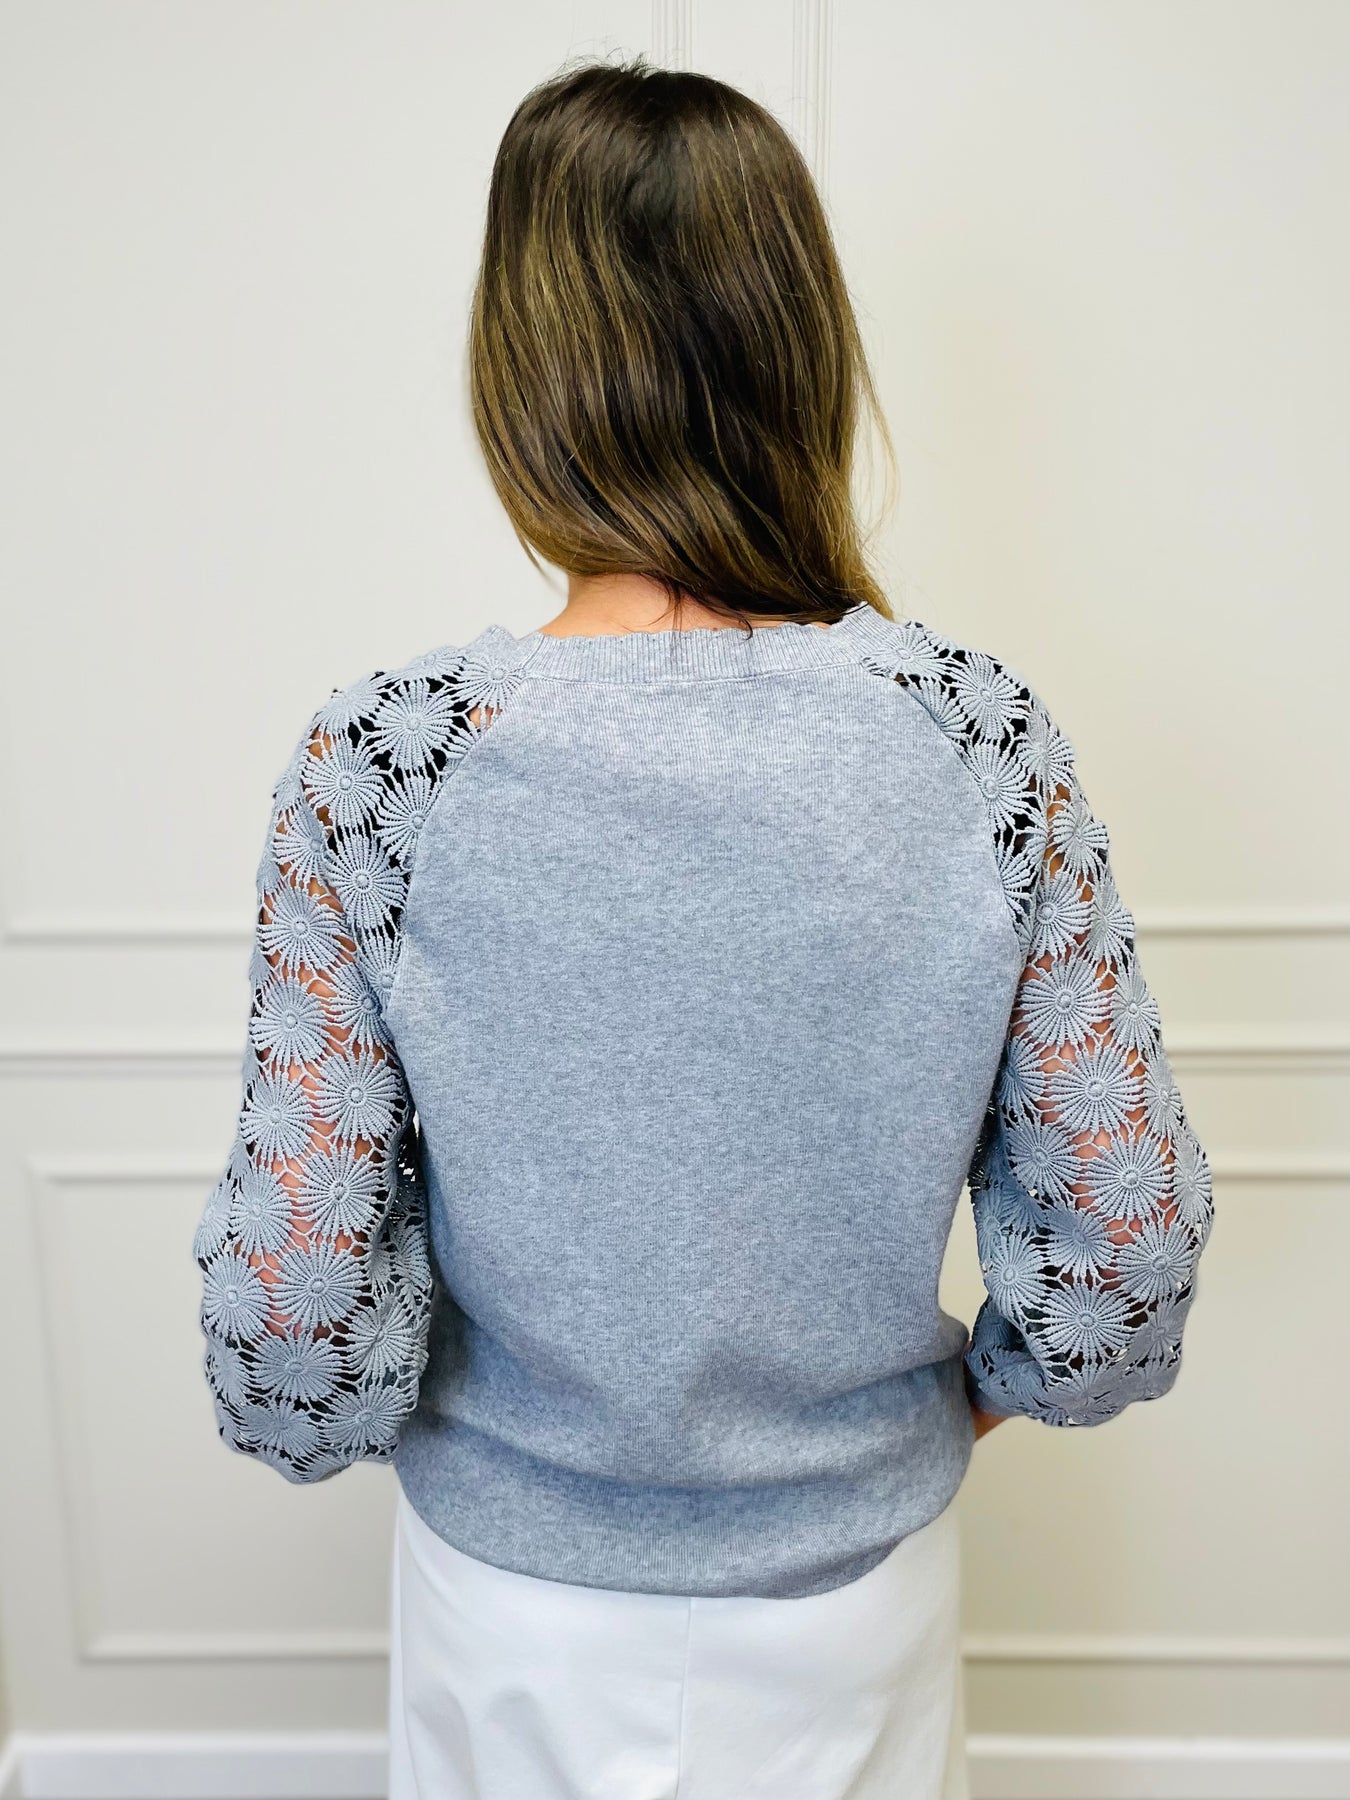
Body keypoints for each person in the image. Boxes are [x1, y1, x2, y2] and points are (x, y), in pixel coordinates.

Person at [192, 55, 1215, 1800]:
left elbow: (291, 1324)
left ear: (522, 373)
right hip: (853, 1606)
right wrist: (962, 1402)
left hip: (511, 1614)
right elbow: (1123, 1252)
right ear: (801, 354)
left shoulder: (384, 766)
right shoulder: (979, 741)